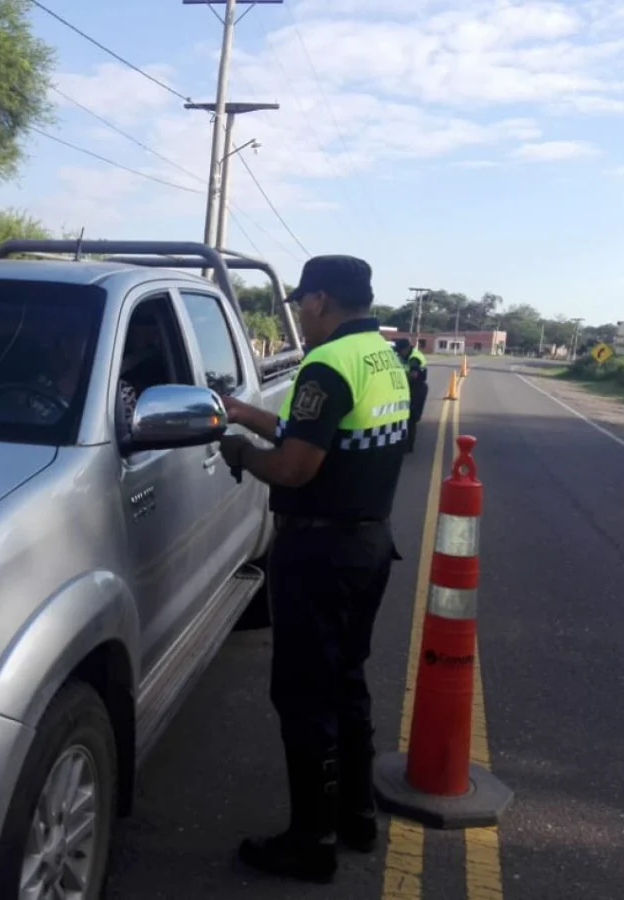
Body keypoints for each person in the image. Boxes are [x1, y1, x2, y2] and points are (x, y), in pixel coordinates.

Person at [218, 255, 411, 885]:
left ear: (321, 300)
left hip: (320, 553)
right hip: (368, 545)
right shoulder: (383, 357)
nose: (300, 312)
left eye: (302, 301)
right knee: (347, 682)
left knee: (304, 696)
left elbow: (296, 466)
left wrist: (241, 451)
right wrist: (246, 412)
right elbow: (320, 433)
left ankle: (311, 843)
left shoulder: (326, 364)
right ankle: (357, 816)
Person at [393, 338, 428, 453]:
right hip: (406, 387)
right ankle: (400, 443)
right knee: (401, 416)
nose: (399, 353)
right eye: (397, 351)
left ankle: (408, 447)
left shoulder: (414, 358)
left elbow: (413, 375)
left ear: (407, 348)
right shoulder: (400, 355)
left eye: (400, 351)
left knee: (410, 417)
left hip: (417, 388)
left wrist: (398, 377)